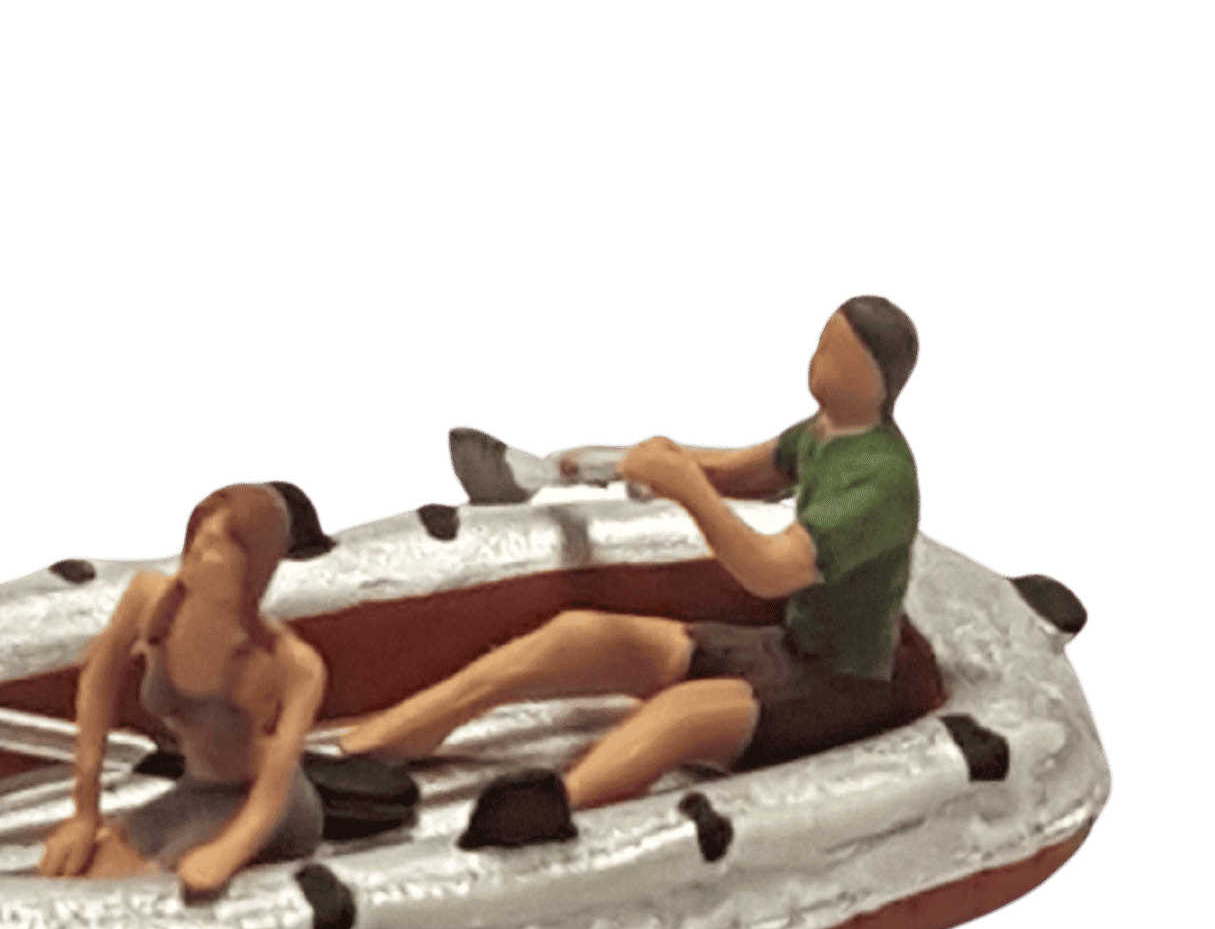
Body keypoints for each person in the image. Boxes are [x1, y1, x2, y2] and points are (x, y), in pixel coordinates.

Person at [341, 295, 926, 828]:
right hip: (786, 652)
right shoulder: (823, 432)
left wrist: (684, 487)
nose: (816, 359)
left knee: (678, 718)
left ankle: (552, 812)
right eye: (821, 343)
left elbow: (771, 571)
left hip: (840, 688)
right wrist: (644, 460)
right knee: (580, 634)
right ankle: (375, 746)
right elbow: (742, 473)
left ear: (876, 379)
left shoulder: (879, 478)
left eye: (834, 352)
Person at [38, 482, 329, 898]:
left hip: (270, 813)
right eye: (196, 541)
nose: (196, 557)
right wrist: (86, 811)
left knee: (137, 890)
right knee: (78, 869)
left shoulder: (292, 663)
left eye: (216, 548)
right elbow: (97, 682)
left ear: (253, 566)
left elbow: (274, 785)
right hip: (196, 791)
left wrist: (227, 853)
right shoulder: (148, 599)